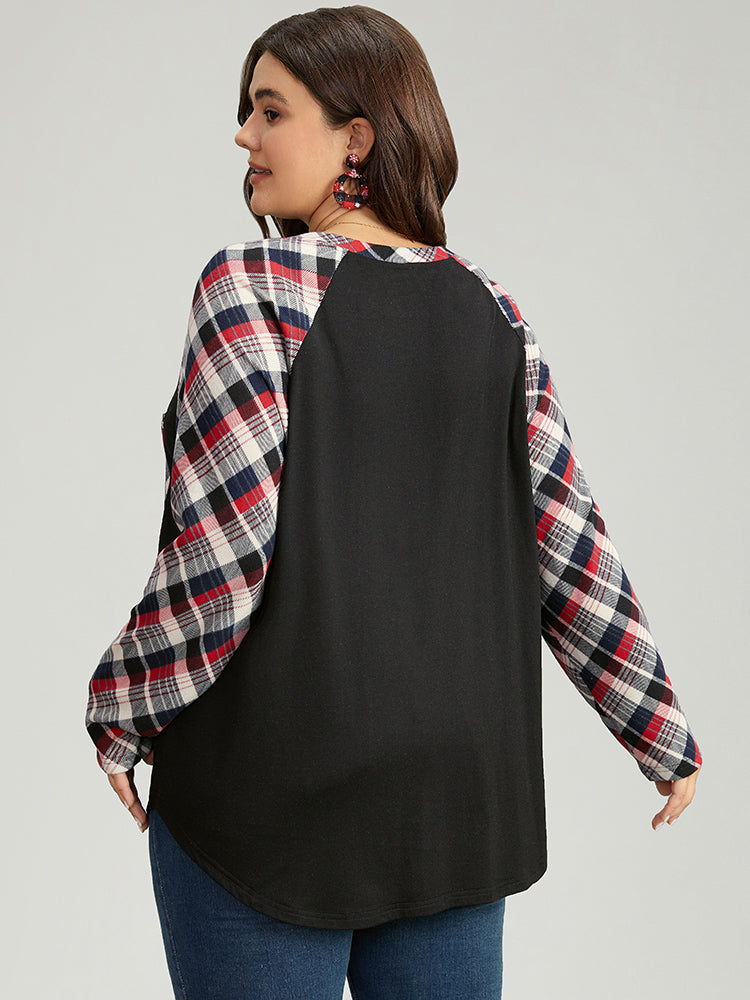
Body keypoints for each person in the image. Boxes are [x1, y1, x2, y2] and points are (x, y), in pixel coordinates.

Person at [84, 6, 702, 998]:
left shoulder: (251, 288)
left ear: (357, 138)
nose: (242, 136)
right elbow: (568, 545)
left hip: (269, 802)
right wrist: (658, 728)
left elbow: (223, 556)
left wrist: (121, 707)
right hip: (456, 806)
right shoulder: (495, 310)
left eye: (270, 110)